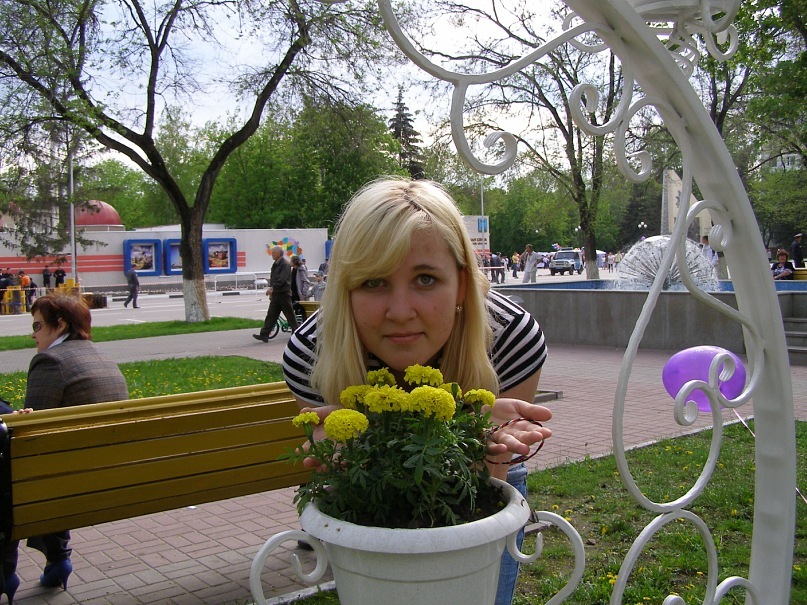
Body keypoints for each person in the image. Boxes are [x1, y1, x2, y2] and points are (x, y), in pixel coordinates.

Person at [282, 178, 551, 605]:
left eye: (425, 279)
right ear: (345, 287)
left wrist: (489, 449)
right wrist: (339, 454)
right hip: (377, 482)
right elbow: (359, 492)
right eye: (373, 282)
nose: (400, 312)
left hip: (483, 480)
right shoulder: (311, 353)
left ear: (462, 282)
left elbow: (478, 498)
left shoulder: (509, 337)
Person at [1, 294, 128, 602]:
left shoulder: (51, 361)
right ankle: (58, 560)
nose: (33, 334)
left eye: (37, 325)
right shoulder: (100, 355)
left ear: (59, 325)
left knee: (11, 480)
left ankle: (5, 573)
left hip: (66, 478)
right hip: (109, 472)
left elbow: (29, 438)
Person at [253, 246, 298, 342]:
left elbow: (282, 279)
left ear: (279, 253)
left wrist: (273, 288)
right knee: (271, 314)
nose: (272, 254)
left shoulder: (285, 264)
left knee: (289, 315)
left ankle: (297, 333)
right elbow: (273, 278)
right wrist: (272, 290)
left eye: (273, 252)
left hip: (284, 294)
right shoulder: (276, 264)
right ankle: (264, 334)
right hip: (276, 294)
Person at [290, 255, 311, 321]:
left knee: (302, 310)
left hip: (299, 294)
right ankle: (297, 323)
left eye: (291, 261)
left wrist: (303, 293)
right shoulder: (293, 269)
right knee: (295, 309)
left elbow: (306, 282)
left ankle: (303, 323)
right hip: (293, 293)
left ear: (294, 262)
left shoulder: (301, 269)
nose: (290, 262)